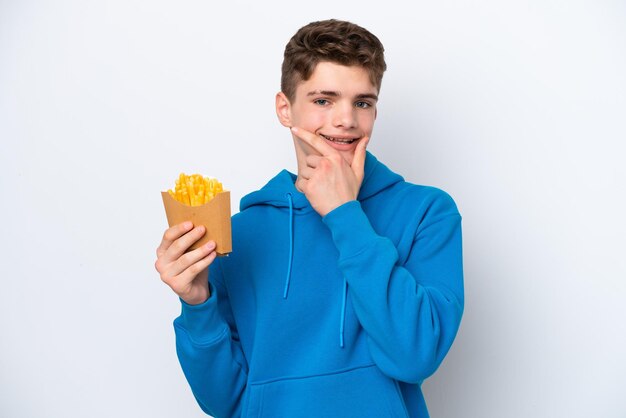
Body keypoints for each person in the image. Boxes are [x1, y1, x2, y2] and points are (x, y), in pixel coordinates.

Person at [155, 19, 464, 418]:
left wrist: (345, 215)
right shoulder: (240, 233)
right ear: (285, 109)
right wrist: (197, 304)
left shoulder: (427, 212)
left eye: (363, 102)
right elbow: (224, 401)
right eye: (323, 100)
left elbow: (415, 355)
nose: (346, 120)